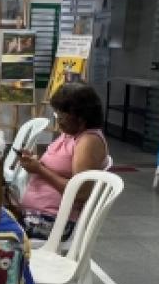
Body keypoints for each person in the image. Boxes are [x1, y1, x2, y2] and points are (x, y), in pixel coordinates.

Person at [16, 83, 109, 240]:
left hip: (55, 222)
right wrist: (36, 164)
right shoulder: (70, 134)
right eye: (57, 113)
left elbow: (80, 193)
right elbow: (58, 169)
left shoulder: (88, 141)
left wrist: (40, 169)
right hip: (38, 214)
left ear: (81, 116)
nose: (58, 120)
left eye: (62, 115)